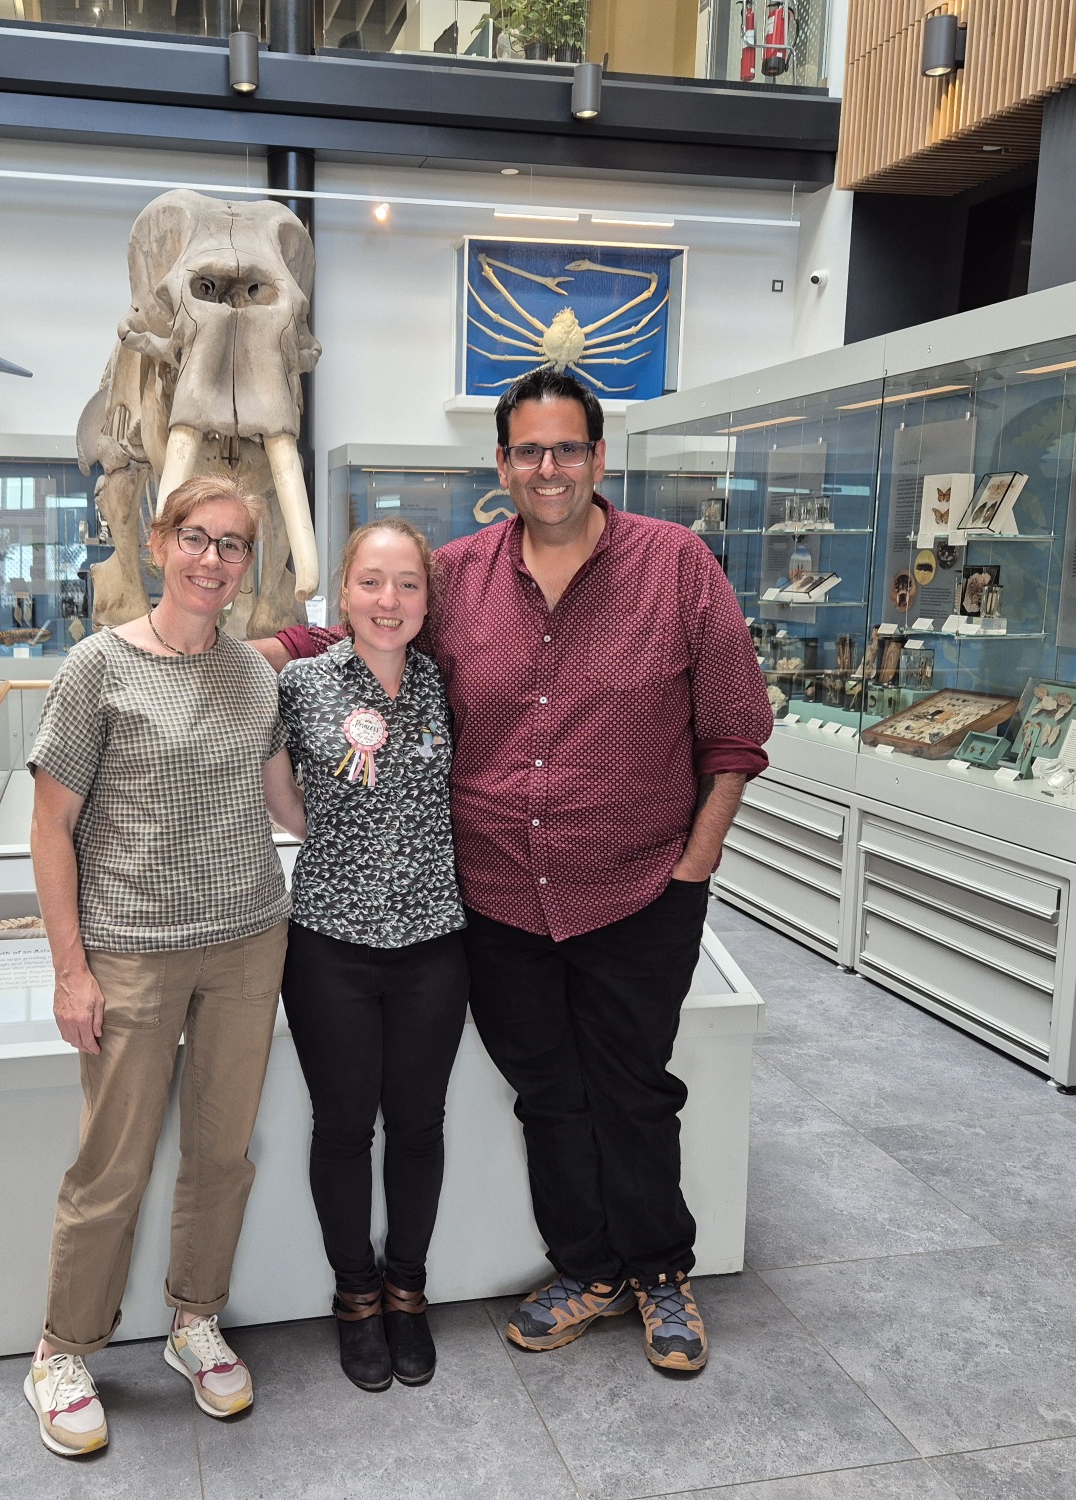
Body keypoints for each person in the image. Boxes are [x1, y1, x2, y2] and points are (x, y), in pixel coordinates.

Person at [259, 368, 772, 1373]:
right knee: (547, 1094)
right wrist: (206, 648)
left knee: (633, 1088)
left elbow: (734, 731)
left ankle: (660, 1272)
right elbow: (359, 626)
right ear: (501, 464)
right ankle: (587, 1269)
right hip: (496, 897)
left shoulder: (675, 567)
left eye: (567, 448)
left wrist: (695, 862)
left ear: (597, 457)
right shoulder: (458, 575)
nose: (549, 468)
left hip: (637, 888)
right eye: (528, 450)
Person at [23, 473, 308, 1457]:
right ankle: (62, 1350)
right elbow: (50, 827)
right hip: (131, 952)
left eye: (233, 545)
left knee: (222, 1154)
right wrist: (70, 970)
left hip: (246, 944)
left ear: (247, 564)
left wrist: (386, 800)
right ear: (157, 543)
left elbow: (286, 805)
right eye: (196, 537)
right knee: (113, 1165)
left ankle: (196, 1320)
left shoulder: (253, 679)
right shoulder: (96, 668)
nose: (212, 560)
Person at [276, 517, 467, 1393]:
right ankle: (356, 1295)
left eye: (407, 585)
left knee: (420, 1125)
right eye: (371, 582)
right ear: (344, 593)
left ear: (428, 598)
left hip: (433, 943)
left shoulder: (447, 684)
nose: (389, 601)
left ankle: (406, 1291)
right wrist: (335, 841)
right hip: (330, 944)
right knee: (345, 1127)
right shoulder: (301, 684)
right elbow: (282, 795)